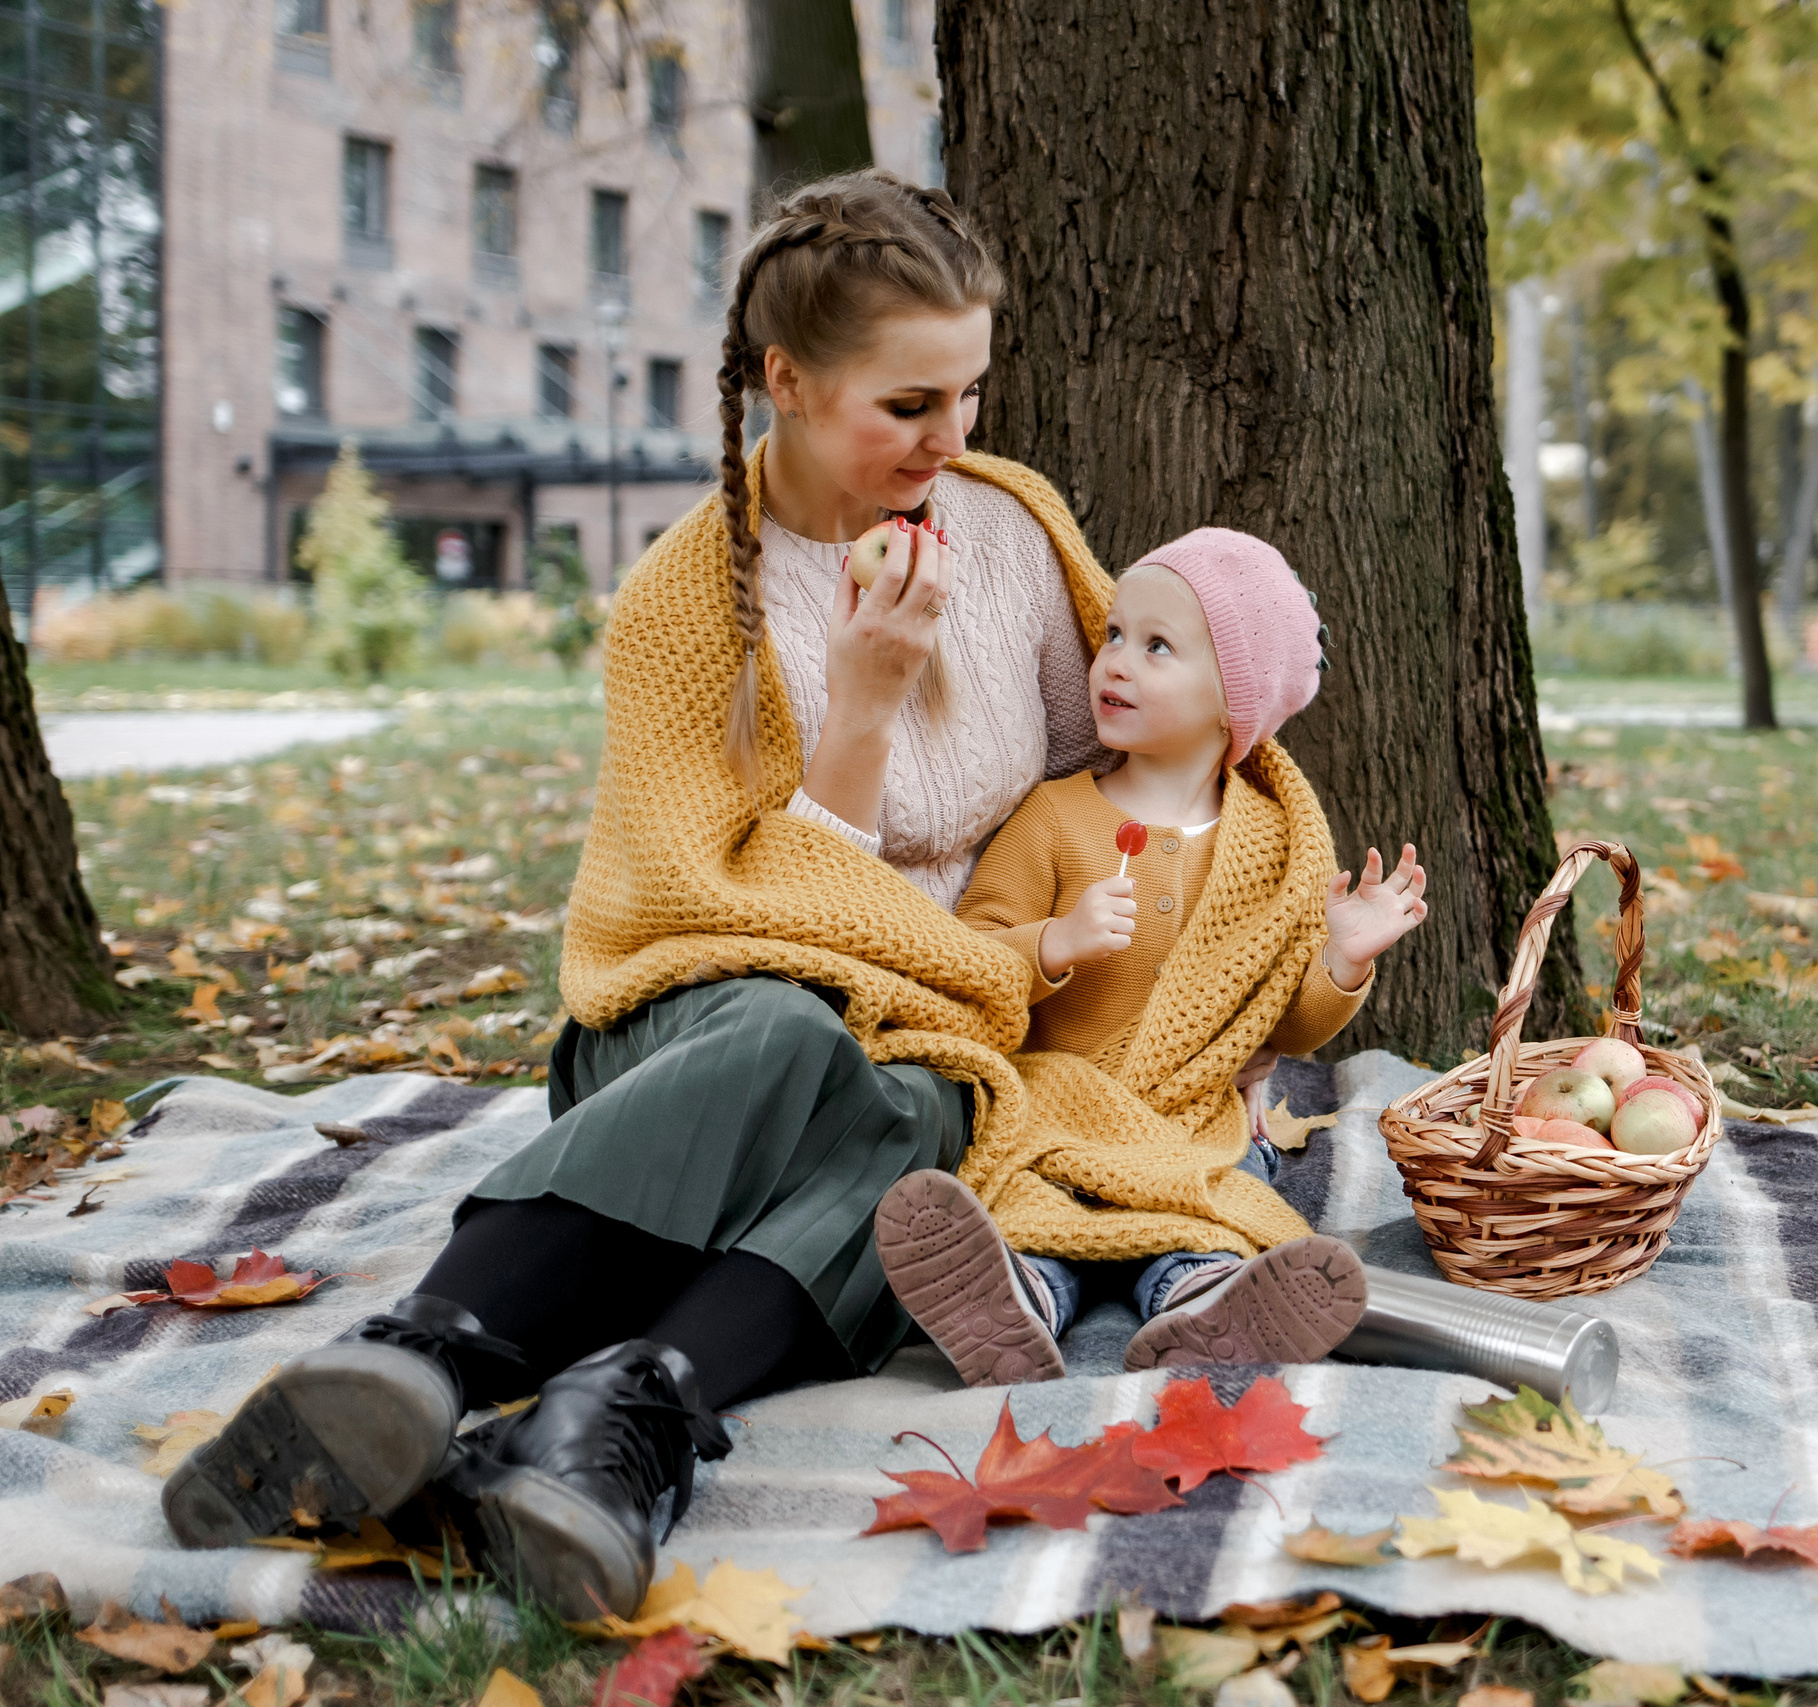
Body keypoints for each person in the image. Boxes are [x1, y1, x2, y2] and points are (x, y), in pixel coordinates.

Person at [156, 169, 1283, 1622]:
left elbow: (1106, 769)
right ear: (788, 380)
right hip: (700, 1014)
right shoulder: (696, 595)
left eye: (971, 395)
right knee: (803, 1035)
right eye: (908, 405)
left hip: (933, 1021)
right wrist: (865, 708)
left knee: (926, 1122)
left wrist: (1165, 944)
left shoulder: (1009, 530)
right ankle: (421, 1353)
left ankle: (616, 1423)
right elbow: (712, 893)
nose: (951, 440)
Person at [877, 530, 1428, 1384]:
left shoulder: (1273, 847)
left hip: (1189, 1117)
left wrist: (1341, 960)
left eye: (1157, 646)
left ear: (1230, 702)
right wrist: (1052, 943)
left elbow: (1283, 1023)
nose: (1116, 664)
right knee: (1032, 1202)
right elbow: (973, 954)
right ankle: (1013, 1301)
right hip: (1059, 1103)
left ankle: (1204, 1301)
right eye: (1113, 637)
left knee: (1199, 1202)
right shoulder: (1056, 816)